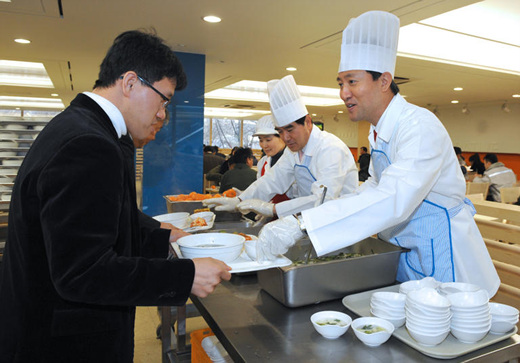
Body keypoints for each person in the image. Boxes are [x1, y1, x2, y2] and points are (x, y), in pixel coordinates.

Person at [0, 30, 231, 362]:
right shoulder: (88, 145)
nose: (163, 114)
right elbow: (83, 272)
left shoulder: (81, 127)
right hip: (60, 345)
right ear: (130, 83)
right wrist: (186, 276)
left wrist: (164, 237)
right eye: (163, 99)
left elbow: (102, 224)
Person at [254, 11, 499, 297]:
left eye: (352, 81)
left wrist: (303, 223)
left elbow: (393, 197)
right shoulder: (378, 131)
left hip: (442, 254)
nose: (343, 93)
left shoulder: (418, 126)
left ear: (384, 81)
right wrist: (304, 221)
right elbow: (373, 186)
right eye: (340, 83)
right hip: (405, 251)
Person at [204, 75, 358, 219]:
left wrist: (272, 209)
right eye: (280, 131)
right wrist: (240, 199)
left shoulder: (330, 149)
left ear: (308, 122)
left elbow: (323, 199)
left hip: (340, 222)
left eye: (290, 130)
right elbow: (272, 180)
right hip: (310, 220)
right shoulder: (294, 151)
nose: (285, 138)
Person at [254, 114, 291, 204]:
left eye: (268, 140)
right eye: (261, 140)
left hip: (291, 216)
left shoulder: (293, 161)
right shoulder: (263, 162)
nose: (264, 145)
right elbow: (262, 189)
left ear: (282, 137)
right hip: (271, 217)